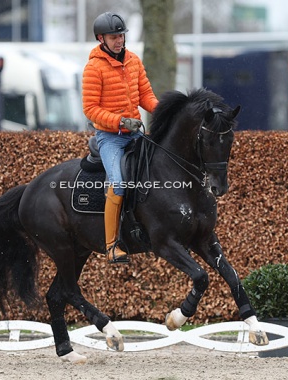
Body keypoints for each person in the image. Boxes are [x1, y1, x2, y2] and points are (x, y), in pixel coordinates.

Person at [82, 12, 158, 264]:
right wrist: (120, 121)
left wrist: (165, 111)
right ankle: (112, 245)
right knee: (119, 183)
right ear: (101, 38)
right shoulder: (94, 67)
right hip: (110, 138)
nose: (119, 40)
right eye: (114, 36)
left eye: (121, 35)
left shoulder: (134, 61)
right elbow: (90, 109)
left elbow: (146, 95)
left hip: (136, 134)